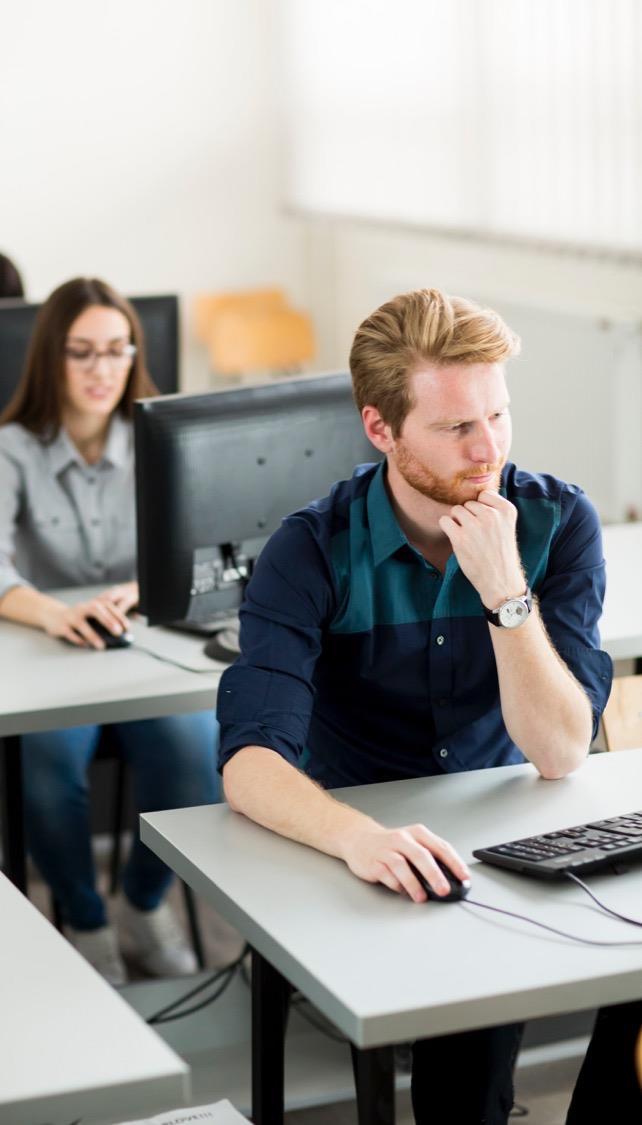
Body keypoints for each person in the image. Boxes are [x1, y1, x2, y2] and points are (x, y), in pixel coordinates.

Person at [217, 288, 613, 1125]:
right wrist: (361, 837)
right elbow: (251, 762)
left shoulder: (557, 521)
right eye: (456, 427)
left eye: (499, 415)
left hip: (507, 831)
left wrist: (505, 590)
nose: (490, 448)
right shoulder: (309, 549)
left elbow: (561, 752)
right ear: (380, 428)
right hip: (357, 844)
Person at [0, 277, 219, 986]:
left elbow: (202, 549)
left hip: (142, 657)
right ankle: (88, 922)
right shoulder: (11, 449)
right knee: (46, 776)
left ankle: (144, 905)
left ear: (134, 355)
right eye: (82, 352)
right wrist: (55, 610)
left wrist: (141, 587)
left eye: (116, 351)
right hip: (50, 657)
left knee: (200, 757)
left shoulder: (163, 444)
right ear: (51, 359)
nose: (101, 369)